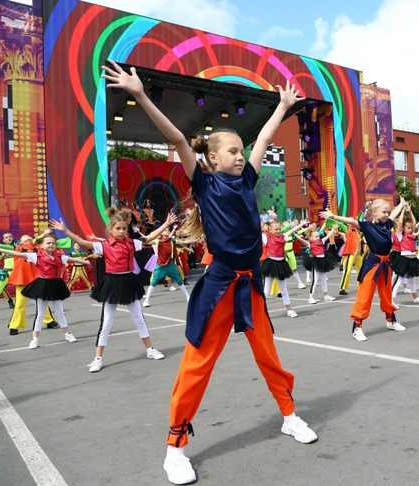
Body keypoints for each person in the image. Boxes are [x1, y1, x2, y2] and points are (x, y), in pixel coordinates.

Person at [102, 61, 317, 485]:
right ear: (213, 158)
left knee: (269, 357)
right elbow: (178, 137)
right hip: (219, 284)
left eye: (242, 150)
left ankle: (289, 416)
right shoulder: (204, 182)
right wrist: (141, 95)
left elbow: (266, 137)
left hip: (250, 283)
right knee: (197, 365)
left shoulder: (248, 177)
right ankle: (174, 448)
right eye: (232, 151)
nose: (241, 156)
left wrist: (283, 107)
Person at [51, 211, 174, 372]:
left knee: (139, 318)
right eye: (118, 228)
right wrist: (65, 231)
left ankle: (150, 350)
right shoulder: (103, 245)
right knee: (107, 322)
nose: (122, 231)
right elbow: (82, 241)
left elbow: (150, 237)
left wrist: (166, 224)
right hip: (112, 283)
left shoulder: (132, 243)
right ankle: (98, 358)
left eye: (124, 228)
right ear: (111, 230)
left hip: (129, 282)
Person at [321, 199, 406, 342]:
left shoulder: (387, 224)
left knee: (386, 295)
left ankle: (391, 320)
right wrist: (334, 216)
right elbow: (351, 221)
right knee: (365, 296)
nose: (386, 214)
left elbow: (395, 214)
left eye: (387, 212)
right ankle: (357, 327)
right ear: (374, 213)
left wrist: (401, 205)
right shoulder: (366, 226)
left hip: (386, 264)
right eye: (383, 212)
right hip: (372, 265)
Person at [0, 234, 87, 349]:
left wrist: (85, 262)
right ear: (41, 245)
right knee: (40, 313)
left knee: (59, 312)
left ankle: (67, 333)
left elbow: (71, 259)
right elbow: (18, 254)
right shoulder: (36, 256)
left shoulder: (60, 256)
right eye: (48, 243)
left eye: (53, 243)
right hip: (42, 285)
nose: (51, 244)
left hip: (56, 285)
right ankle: (35, 339)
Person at [261, 220, 308, 317]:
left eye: (279, 229)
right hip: (270, 264)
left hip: (281, 264)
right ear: (270, 230)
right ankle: (261, 312)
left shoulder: (284, 236)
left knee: (284, 289)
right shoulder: (266, 237)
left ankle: (289, 309)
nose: (278, 230)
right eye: (275, 229)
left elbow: (291, 231)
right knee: (266, 290)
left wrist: (301, 225)